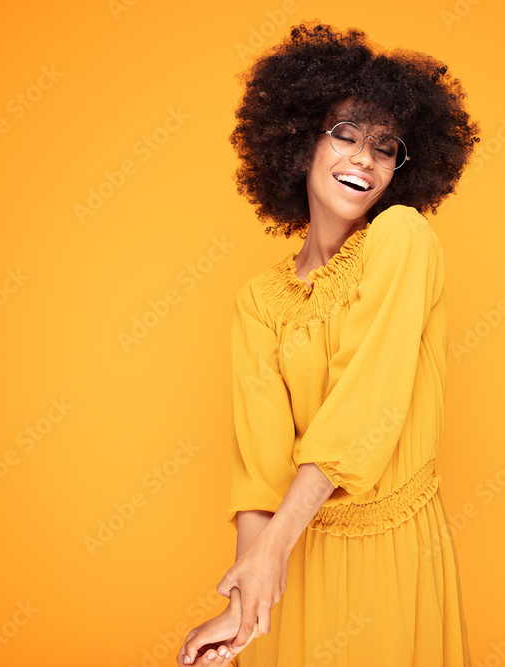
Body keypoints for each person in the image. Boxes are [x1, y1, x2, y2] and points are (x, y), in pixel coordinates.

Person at [177, 22, 480, 667]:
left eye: (383, 147)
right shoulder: (259, 301)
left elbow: (363, 408)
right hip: (292, 563)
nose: (363, 160)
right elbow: (259, 472)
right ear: (297, 142)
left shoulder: (403, 238)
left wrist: (272, 554)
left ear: (403, 166)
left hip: (393, 554)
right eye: (344, 135)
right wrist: (243, 602)